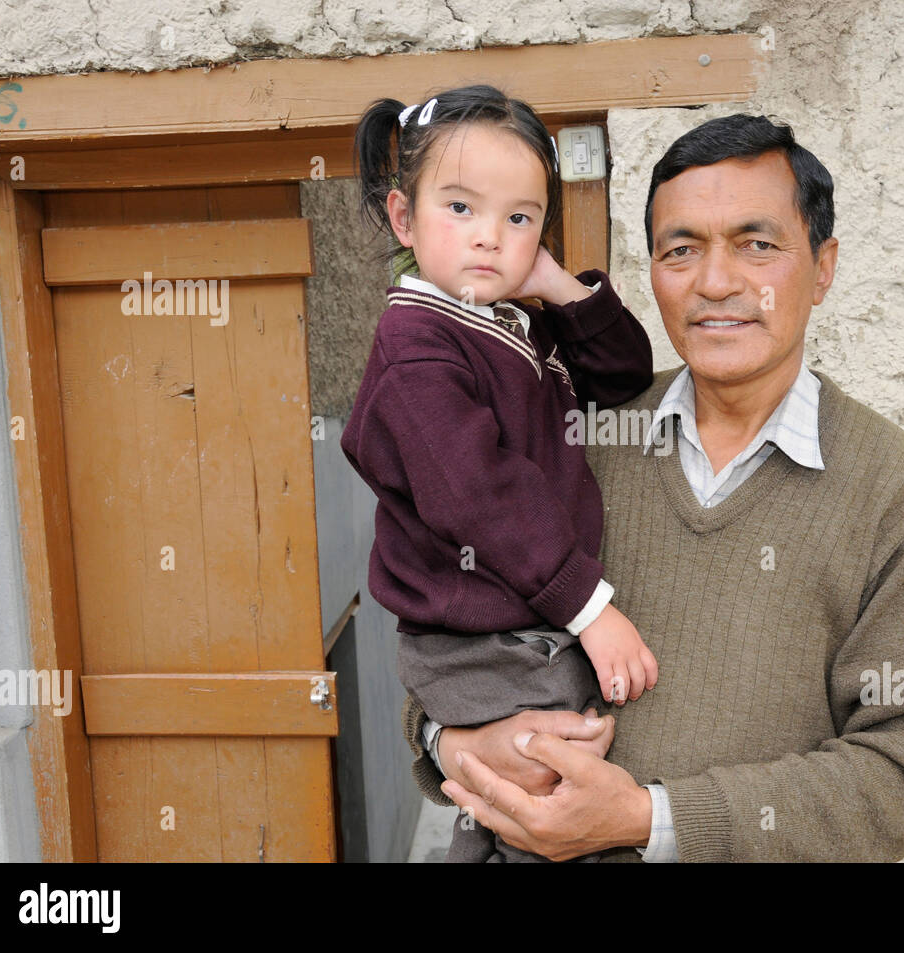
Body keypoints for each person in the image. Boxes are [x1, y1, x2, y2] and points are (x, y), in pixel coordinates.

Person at [403, 113, 904, 862]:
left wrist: (648, 818)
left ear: (823, 266)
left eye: (757, 244)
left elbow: (900, 774)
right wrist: (457, 742)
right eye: (681, 250)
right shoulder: (579, 433)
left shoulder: (900, 495)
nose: (715, 281)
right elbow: (446, 628)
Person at [340, 85, 658, 862]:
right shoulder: (418, 345)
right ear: (403, 218)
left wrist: (553, 283)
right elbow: (480, 498)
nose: (490, 237)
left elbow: (625, 373)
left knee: (508, 816)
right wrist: (591, 608)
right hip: (484, 640)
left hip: (516, 628)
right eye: (460, 209)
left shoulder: (509, 318)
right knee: (551, 801)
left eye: (519, 217)